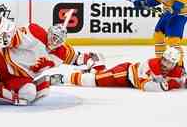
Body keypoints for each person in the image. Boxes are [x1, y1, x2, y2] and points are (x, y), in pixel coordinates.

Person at [53, 47, 186, 92]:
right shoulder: (151, 64)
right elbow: (144, 85)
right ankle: (63, 78)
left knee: (97, 75)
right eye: (164, 59)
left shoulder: (178, 71)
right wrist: (168, 85)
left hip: (127, 78)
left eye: (168, 62)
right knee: (93, 80)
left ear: (174, 64)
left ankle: (97, 62)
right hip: (123, 74)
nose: (164, 63)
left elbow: (183, 80)